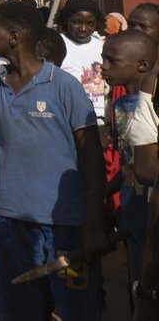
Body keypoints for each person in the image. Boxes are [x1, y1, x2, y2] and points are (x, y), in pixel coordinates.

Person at [0, 3, 107, 320]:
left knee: (77, 308)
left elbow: (91, 155)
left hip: (66, 224)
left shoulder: (64, 87)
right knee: (15, 306)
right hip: (7, 221)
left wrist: (94, 219)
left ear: (13, 37)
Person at [103, 31, 158, 308]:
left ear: (141, 65)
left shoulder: (152, 107)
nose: (103, 67)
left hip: (151, 213)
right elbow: (128, 163)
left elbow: (147, 168)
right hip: (130, 209)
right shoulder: (118, 103)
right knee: (136, 285)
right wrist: (106, 193)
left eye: (111, 61)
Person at [59, 0, 109, 123]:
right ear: (66, 20)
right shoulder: (58, 44)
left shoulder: (103, 46)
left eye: (90, 24)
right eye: (76, 22)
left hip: (102, 118)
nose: (83, 28)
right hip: (71, 119)